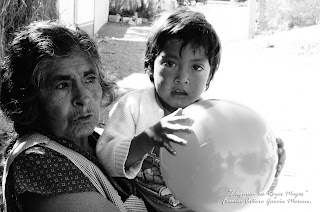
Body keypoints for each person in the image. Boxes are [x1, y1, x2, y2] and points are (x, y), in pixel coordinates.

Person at [96, 7, 286, 212]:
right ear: (151, 66)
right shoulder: (133, 106)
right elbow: (105, 157)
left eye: (196, 67)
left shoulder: (214, 121)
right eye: (170, 63)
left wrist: (267, 169)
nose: (182, 77)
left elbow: (233, 184)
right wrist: (148, 138)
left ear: (209, 76)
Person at [0, 21, 148, 212]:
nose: (83, 98)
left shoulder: (96, 138)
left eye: (90, 79)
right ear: (30, 98)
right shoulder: (38, 163)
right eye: (63, 85)